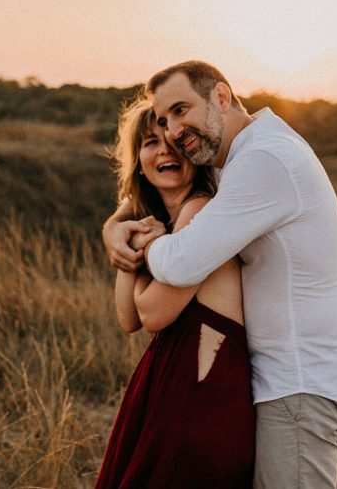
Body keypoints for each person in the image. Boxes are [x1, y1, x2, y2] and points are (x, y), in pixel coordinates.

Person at [103, 61, 337, 488]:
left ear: (221, 97)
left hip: (299, 380)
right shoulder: (241, 159)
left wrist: (144, 242)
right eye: (165, 120)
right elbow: (164, 192)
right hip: (276, 380)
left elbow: (184, 261)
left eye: (181, 109)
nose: (173, 131)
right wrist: (115, 226)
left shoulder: (265, 159)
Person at [96, 99, 254, 489]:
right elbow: (127, 319)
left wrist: (148, 243)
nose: (165, 150)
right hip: (168, 386)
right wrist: (126, 239)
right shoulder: (161, 220)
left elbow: (152, 314)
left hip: (202, 397)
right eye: (150, 142)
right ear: (138, 160)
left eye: (174, 141)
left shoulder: (200, 211)